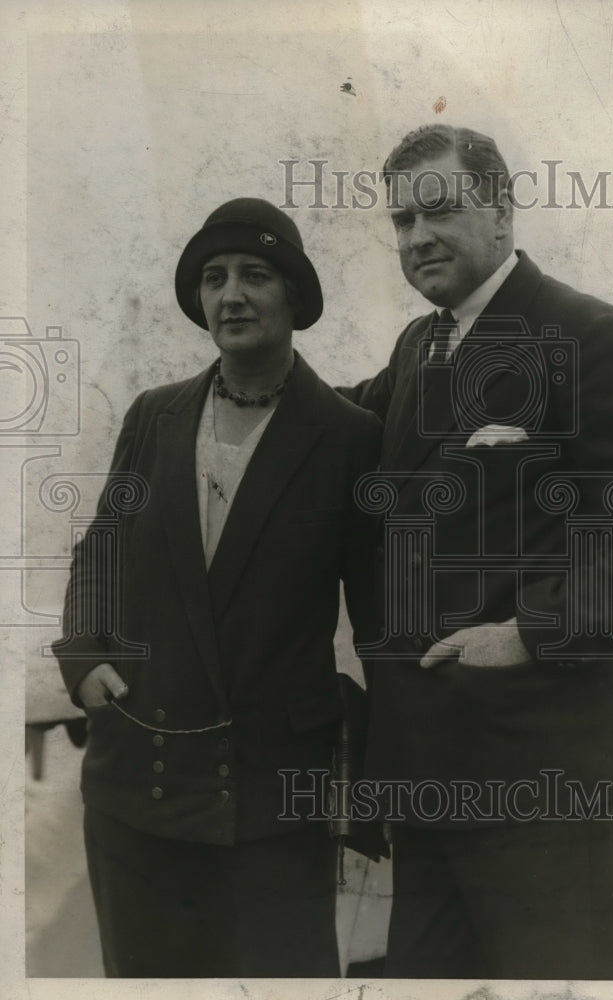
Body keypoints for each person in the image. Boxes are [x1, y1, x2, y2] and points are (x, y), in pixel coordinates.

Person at [341, 124, 613, 979]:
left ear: (504, 212)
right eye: (401, 222)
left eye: (439, 209)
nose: (417, 236)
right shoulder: (421, 346)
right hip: (433, 773)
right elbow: (342, 428)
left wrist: (529, 633)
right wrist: (244, 375)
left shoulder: (590, 337)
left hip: (552, 779)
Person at [52, 198, 381, 977]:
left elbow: (379, 618)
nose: (231, 294)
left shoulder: (348, 437)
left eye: (255, 275)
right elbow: (101, 550)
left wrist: (371, 786)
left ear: (294, 296)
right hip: (137, 786)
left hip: (270, 804)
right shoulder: (154, 417)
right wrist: (86, 660)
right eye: (214, 277)